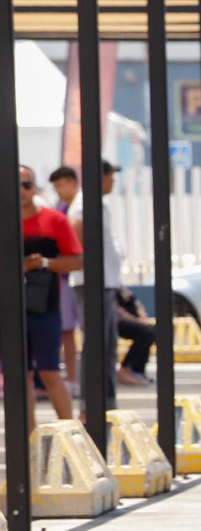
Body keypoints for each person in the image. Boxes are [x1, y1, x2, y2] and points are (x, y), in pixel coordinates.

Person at [19, 165, 84, 425]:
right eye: (16, 184)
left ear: (35, 188)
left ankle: (70, 435)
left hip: (45, 308)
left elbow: (77, 260)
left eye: (27, 184)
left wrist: (43, 263)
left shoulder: (54, 220)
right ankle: (27, 442)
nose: (22, 190)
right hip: (10, 310)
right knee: (18, 377)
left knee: (49, 372)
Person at [66, 160, 123, 409]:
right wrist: (87, 262)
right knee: (97, 343)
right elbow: (76, 230)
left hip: (103, 282)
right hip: (93, 283)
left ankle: (105, 400)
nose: (114, 181)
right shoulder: (84, 203)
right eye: (111, 175)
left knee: (107, 343)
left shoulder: (96, 202)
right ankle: (92, 402)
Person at [47, 165, 81, 395]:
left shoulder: (75, 209)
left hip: (70, 275)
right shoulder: (61, 209)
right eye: (55, 186)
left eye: (61, 184)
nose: (58, 190)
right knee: (66, 330)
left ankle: (74, 377)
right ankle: (72, 376)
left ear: (72, 182)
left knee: (70, 329)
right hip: (64, 277)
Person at [113, 287, 156, 384]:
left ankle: (138, 371)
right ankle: (125, 369)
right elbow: (115, 311)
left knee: (151, 331)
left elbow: (133, 300)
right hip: (116, 320)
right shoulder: (107, 286)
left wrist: (140, 314)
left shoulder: (119, 286)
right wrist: (134, 319)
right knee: (146, 332)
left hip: (128, 317)